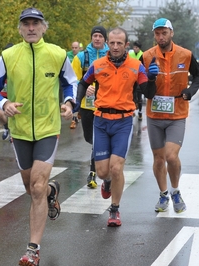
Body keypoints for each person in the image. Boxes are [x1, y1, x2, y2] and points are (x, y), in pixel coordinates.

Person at [0, 7, 77, 266]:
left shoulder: (57, 54)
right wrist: (4, 104)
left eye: (36, 23)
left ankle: (32, 250)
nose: (31, 28)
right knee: (30, 188)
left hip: (48, 129)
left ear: (44, 27)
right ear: (20, 29)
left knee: (35, 188)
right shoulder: (8, 56)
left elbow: (71, 82)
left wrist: (69, 103)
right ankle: (51, 190)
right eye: (26, 24)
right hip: (20, 131)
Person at [76, 27, 157, 226]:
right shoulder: (97, 65)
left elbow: (148, 92)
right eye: (111, 43)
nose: (115, 46)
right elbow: (82, 83)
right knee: (103, 171)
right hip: (101, 121)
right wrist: (77, 105)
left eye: (119, 43)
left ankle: (114, 210)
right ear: (107, 43)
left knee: (117, 167)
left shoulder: (136, 66)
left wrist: (153, 78)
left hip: (123, 121)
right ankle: (108, 182)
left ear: (126, 45)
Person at [143, 18, 199, 213]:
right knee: (159, 159)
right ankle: (163, 194)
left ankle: (175, 190)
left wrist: (190, 91)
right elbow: (141, 87)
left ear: (171, 33)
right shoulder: (146, 56)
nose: (161, 37)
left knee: (171, 156)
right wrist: (150, 79)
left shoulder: (185, 55)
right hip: (154, 115)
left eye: (164, 33)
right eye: (157, 34)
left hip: (177, 114)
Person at [71, 26, 109, 189]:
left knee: (97, 139)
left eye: (100, 36)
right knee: (89, 137)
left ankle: (93, 171)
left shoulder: (112, 56)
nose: (97, 38)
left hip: (105, 105)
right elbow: (74, 81)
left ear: (105, 39)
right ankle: (101, 156)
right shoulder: (81, 57)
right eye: (95, 36)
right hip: (87, 106)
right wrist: (83, 92)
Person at [0, 42, 13, 141]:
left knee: (13, 115)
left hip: (14, 93)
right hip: (2, 93)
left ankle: (14, 134)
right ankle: (6, 128)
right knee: (0, 114)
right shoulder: (0, 62)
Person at [67, 41, 81, 129]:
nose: (74, 49)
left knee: (79, 101)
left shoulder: (81, 57)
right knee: (75, 100)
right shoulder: (68, 55)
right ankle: (73, 120)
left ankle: (79, 113)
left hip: (80, 82)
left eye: (76, 48)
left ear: (79, 48)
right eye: (73, 48)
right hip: (72, 82)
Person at [129, 41, 145, 121]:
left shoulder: (143, 55)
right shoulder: (130, 54)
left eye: (137, 48)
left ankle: (140, 112)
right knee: (131, 96)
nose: (135, 49)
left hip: (139, 78)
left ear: (139, 48)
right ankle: (132, 111)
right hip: (131, 78)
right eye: (134, 47)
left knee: (139, 97)